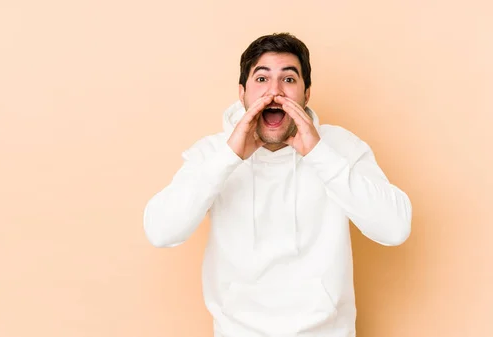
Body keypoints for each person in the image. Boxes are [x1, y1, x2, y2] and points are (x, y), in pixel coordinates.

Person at [143, 32, 412, 337]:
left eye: (288, 79)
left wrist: (319, 154)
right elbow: (161, 231)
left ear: (306, 94)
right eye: (261, 79)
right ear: (242, 92)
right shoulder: (211, 153)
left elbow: (395, 229)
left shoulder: (341, 147)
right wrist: (228, 158)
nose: (274, 92)